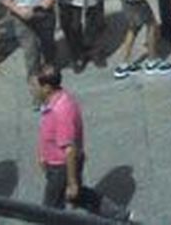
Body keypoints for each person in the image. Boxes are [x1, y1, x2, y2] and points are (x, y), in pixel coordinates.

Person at [33, 65, 132, 218]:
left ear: (46, 88)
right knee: (78, 195)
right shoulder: (56, 100)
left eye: (35, 86)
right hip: (58, 165)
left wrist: (72, 181)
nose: (33, 89)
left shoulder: (61, 111)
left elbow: (69, 149)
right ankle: (119, 215)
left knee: (50, 209)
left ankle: (118, 215)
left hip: (61, 167)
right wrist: (42, 155)